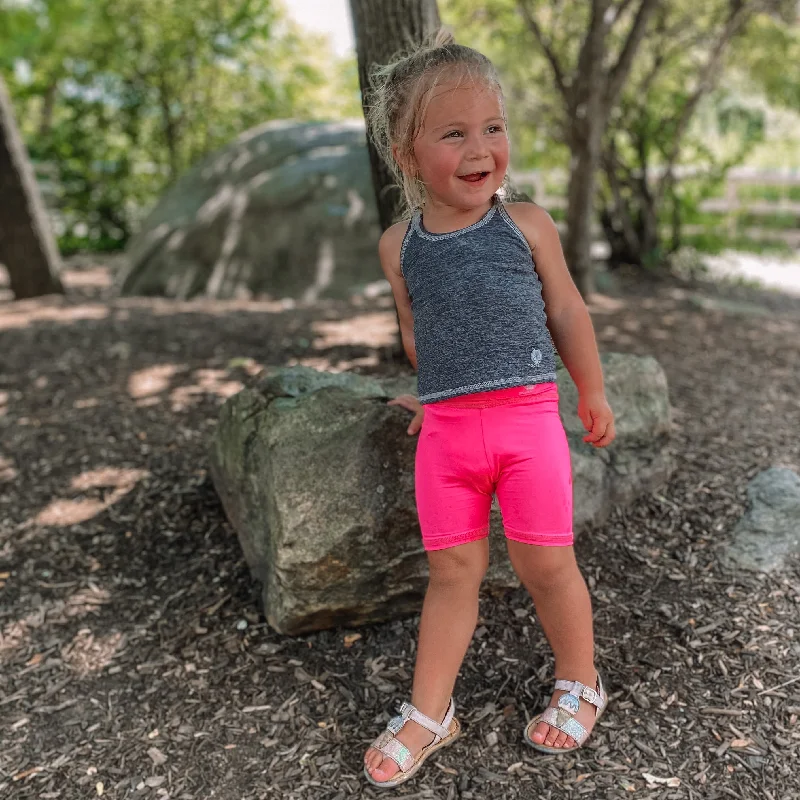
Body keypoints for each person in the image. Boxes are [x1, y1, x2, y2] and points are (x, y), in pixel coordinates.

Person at [362, 30, 615, 789]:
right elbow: (419, 333)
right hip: (446, 439)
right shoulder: (398, 244)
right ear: (407, 155)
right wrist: (433, 392)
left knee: (545, 563)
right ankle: (430, 711)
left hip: (530, 425)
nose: (481, 148)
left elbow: (567, 312)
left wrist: (592, 389)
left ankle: (580, 680)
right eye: (454, 133)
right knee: (452, 573)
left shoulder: (526, 224)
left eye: (492, 128)